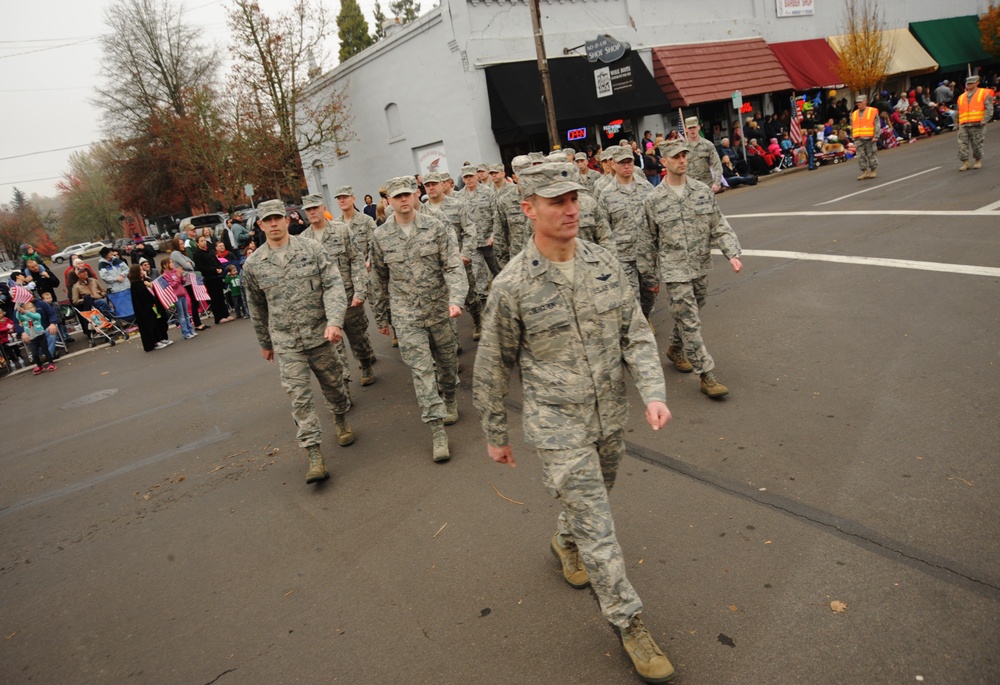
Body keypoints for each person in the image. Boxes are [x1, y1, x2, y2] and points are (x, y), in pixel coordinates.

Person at [472, 161, 675, 684]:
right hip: (557, 425)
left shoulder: (604, 263)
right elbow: (493, 366)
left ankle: (565, 540)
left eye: (574, 198)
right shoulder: (511, 285)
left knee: (594, 504)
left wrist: (652, 391)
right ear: (528, 209)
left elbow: (636, 333)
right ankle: (630, 623)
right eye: (556, 200)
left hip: (610, 415)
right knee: (600, 527)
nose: (570, 208)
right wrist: (496, 434)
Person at [242, 199, 355, 485]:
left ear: (288, 219)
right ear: (260, 225)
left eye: (278, 218)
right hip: (287, 342)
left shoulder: (311, 249)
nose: (274, 224)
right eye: (268, 220)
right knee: (299, 398)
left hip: (320, 334)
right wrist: (264, 341)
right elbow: (256, 306)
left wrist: (334, 321)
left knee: (335, 386)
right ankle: (314, 454)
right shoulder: (254, 264)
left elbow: (333, 284)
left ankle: (340, 418)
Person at [370, 176, 467, 462]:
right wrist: (382, 316)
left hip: (439, 309)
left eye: (407, 195)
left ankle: (450, 397)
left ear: (415, 195)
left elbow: (452, 266)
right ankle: (437, 432)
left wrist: (456, 299)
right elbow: (378, 278)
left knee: (447, 364)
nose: (402, 200)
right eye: (396, 196)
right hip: (406, 314)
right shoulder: (381, 236)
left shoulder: (436, 226)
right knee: (422, 373)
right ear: (388, 200)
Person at [640, 140, 743, 398]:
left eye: (685, 155)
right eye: (676, 156)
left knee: (691, 312)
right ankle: (706, 375)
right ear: (664, 162)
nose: (682, 160)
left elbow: (718, 224)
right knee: (690, 319)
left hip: (699, 266)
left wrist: (732, 253)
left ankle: (675, 348)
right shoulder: (653, 200)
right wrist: (650, 278)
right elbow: (647, 242)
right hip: (674, 271)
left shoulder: (701, 191)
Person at [302, 192, 376, 387]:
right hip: (323, 302)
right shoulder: (303, 241)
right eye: (308, 210)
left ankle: (366, 362)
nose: (312, 212)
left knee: (358, 337)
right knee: (334, 345)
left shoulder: (342, 231)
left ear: (323, 208)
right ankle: (343, 380)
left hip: (349, 296)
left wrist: (360, 291)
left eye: (315, 208)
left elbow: (357, 260)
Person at [596, 145, 656, 316]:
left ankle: (644, 317)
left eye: (629, 162)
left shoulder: (646, 188)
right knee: (631, 297)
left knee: (649, 295)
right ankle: (638, 327)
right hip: (623, 255)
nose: (627, 166)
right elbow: (603, 229)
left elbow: (656, 220)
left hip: (646, 253)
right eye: (622, 163)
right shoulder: (606, 194)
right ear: (613, 165)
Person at [192, 235, 235, 324]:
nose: (204, 242)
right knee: (214, 298)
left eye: (204, 240)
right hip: (209, 278)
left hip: (217, 276)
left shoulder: (210, 252)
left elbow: (217, 261)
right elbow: (200, 267)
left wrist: (220, 268)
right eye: (201, 241)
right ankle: (218, 317)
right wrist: (213, 270)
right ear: (197, 243)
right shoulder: (197, 254)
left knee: (221, 296)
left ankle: (226, 314)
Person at [128, 264, 171, 352]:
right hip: (144, 309)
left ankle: (162, 338)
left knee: (159, 322)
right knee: (151, 324)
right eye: (140, 270)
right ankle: (155, 341)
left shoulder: (144, 281)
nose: (143, 272)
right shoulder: (135, 285)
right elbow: (142, 296)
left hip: (152, 306)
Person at [170, 237, 209, 331]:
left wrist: (189, 263)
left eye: (182, 243)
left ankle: (198, 322)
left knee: (195, 300)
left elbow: (192, 264)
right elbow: (187, 265)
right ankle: (197, 323)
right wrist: (188, 264)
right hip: (186, 280)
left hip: (190, 278)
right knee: (194, 300)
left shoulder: (181, 254)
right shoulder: (175, 253)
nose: (182, 245)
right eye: (180, 244)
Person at [957, 74, 994, 171]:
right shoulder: (961, 97)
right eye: (968, 83)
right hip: (964, 124)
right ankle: (965, 162)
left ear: (977, 83)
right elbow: (959, 111)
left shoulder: (983, 93)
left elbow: (989, 108)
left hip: (977, 124)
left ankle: (978, 160)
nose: (969, 85)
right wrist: (957, 123)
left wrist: (985, 120)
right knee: (962, 144)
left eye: (971, 83)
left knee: (977, 144)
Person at [682, 116, 723, 192]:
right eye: (690, 128)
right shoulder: (682, 148)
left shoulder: (708, 144)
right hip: (689, 187)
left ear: (698, 127)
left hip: (706, 186)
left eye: (694, 127)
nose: (692, 130)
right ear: (686, 129)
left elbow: (717, 164)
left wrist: (717, 183)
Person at [159, 257, 196, 340]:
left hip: (182, 294)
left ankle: (190, 330)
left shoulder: (176, 271)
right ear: (165, 266)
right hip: (176, 296)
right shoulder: (165, 275)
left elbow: (183, 282)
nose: (172, 264)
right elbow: (171, 286)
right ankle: (185, 333)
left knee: (186, 314)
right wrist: (178, 278)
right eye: (170, 262)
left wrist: (181, 275)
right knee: (181, 315)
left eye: (172, 262)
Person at [17, 301, 57, 375]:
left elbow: (34, 316)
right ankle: (40, 366)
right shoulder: (25, 318)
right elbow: (18, 318)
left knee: (46, 350)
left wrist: (26, 311)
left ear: (35, 308)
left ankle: (51, 363)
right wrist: (18, 311)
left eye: (32, 307)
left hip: (40, 336)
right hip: (32, 338)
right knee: (34, 353)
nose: (31, 309)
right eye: (28, 308)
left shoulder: (37, 315)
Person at [851, 94, 880, 180]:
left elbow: (877, 124)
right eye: (857, 102)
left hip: (869, 137)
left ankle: (873, 170)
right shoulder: (854, 113)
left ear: (865, 101)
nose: (858, 104)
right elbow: (852, 126)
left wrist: (876, 135)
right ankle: (864, 171)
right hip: (858, 138)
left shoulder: (872, 111)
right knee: (860, 156)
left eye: (860, 102)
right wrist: (853, 137)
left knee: (871, 154)